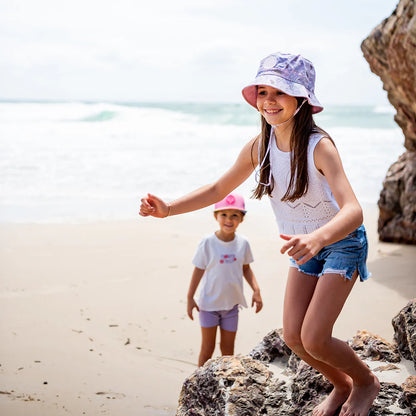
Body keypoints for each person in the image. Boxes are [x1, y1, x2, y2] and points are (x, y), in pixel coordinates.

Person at [140, 52, 380, 416]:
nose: (269, 101)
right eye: (263, 92)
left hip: (340, 242)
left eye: (280, 93)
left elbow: (353, 210)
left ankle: (364, 382)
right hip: (304, 248)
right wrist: (169, 208)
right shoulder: (259, 147)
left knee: (315, 335)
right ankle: (340, 384)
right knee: (294, 338)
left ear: (302, 100)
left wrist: (319, 238)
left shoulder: (320, 147)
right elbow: (218, 187)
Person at [187, 192, 263, 367]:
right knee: (207, 349)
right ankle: (198, 387)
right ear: (216, 216)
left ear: (241, 219)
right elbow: (198, 270)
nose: (229, 219)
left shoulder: (243, 243)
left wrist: (256, 291)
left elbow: (246, 268)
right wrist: (190, 297)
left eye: (234, 215)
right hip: (209, 306)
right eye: (224, 215)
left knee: (228, 351)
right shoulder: (207, 243)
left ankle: (226, 386)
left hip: (231, 306)